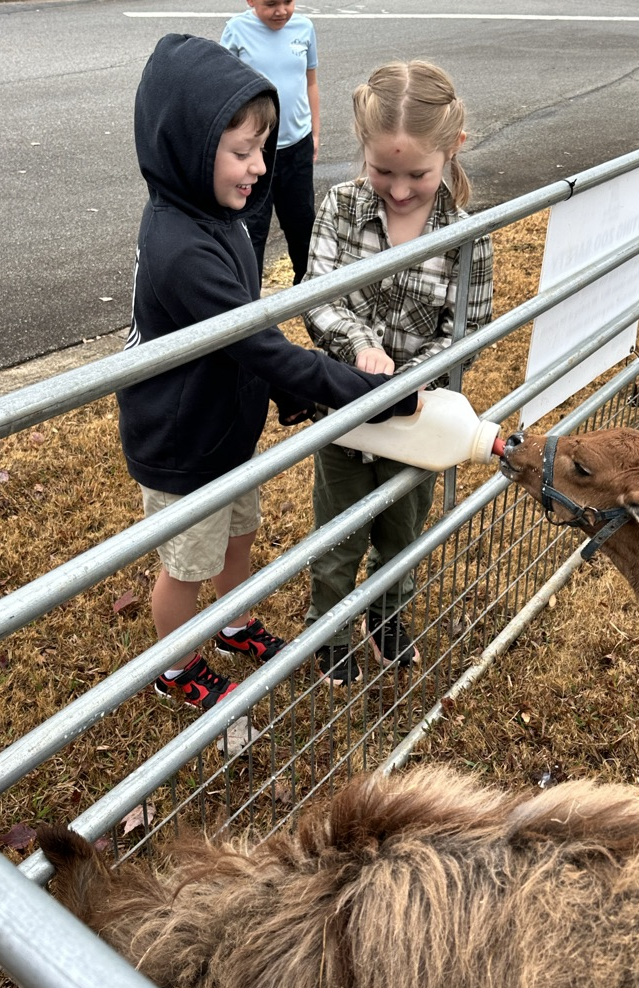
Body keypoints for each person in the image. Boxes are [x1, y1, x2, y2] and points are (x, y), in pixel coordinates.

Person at [117, 34, 418, 711]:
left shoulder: (218, 214)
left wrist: (280, 392)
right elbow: (259, 344)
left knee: (239, 530)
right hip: (182, 442)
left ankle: (233, 620)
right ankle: (175, 665)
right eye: (242, 152)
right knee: (186, 564)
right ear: (188, 148)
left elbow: (249, 325)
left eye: (262, 148)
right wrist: (374, 394)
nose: (260, 167)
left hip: (223, 423)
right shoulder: (180, 249)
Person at [302, 60, 494, 687]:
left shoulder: (468, 236)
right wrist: (360, 348)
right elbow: (318, 296)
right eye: (382, 171)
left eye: (418, 174)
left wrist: (410, 381)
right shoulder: (338, 207)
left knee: (403, 531)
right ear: (363, 147)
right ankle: (331, 629)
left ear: (452, 148)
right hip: (346, 415)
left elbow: (469, 328)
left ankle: (387, 617)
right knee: (338, 533)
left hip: (418, 421)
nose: (400, 189)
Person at [220, 0, 318, 285]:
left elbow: (310, 82)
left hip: (297, 146)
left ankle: (308, 291)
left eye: (288, 1)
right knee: (252, 230)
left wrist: (315, 132)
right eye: (271, 3)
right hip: (255, 151)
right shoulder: (236, 30)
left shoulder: (304, 28)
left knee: (302, 225)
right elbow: (224, 91)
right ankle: (249, 298)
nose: (281, 11)